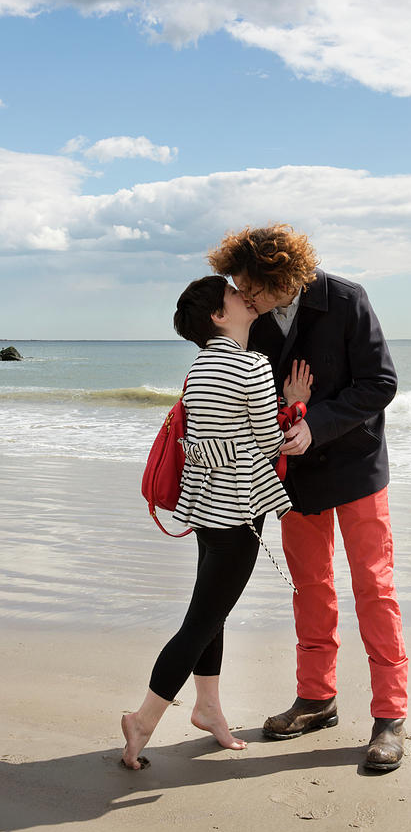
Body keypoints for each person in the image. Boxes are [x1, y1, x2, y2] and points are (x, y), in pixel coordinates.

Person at [208, 225, 408, 772]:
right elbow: (239, 390)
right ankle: (316, 698)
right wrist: (283, 417)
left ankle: (390, 714)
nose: (244, 298)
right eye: (240, 288)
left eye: (253, 289)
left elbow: (380, 383)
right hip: (293, 477)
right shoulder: (252, 317)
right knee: (310, 587)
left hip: (358, 467)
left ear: (282, 278)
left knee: (373, 587)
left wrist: (314, 422)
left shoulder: (347, 299)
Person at [121, 275, 309, 770]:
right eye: (231, 293)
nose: (243, 295)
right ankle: (143, 720)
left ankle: (207, 708)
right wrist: (296, 404)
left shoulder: (201, 367)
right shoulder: (251, 365)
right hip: (238, 513)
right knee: (200, 622)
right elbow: (270, 445)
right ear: (219, 316)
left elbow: (217, 440)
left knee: (210, 613)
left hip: (206, 507)